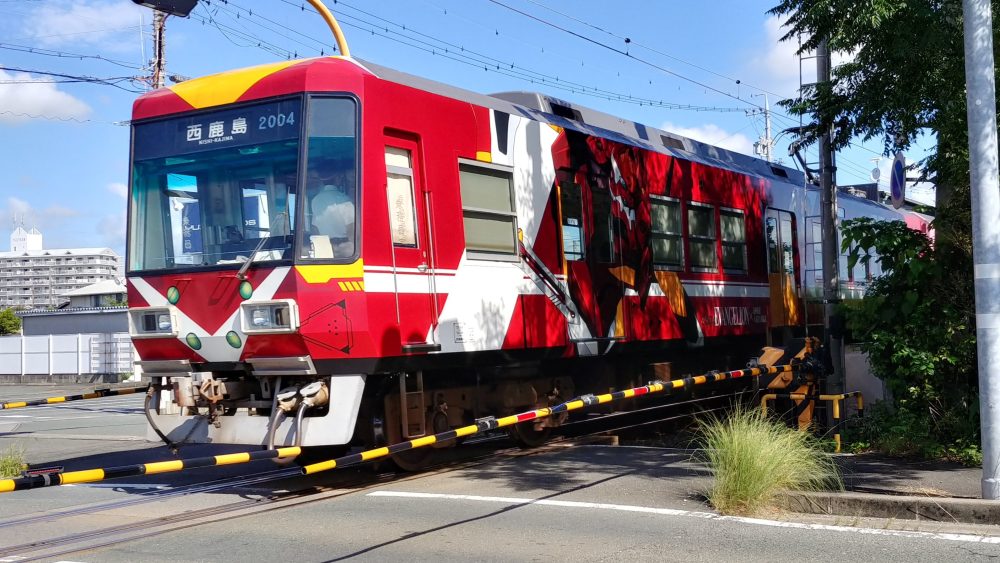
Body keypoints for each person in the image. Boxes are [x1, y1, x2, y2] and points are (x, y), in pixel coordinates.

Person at [309, 164, 355, 258]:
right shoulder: (344, 200)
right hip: (345, 247)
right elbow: (351, 229)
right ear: (337, 178)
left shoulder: (315, 200)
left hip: (325, 248)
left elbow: (315, 228)